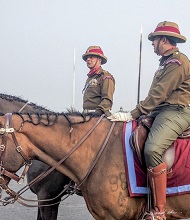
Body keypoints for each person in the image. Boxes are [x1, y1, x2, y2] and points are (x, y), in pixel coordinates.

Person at [108, 21, 190, 220]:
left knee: (152, 148)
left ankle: (159, 211)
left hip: (177, 111)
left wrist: (133, 113)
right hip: (161, 110)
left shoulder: (177, 63)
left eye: (154, 40)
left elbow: (159, 94)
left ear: (163, 40)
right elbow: (155, 96)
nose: (152, 44)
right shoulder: (165, 63)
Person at [82, 46, 115, 117]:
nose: (88, 59)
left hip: (98, 117)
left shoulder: (105, 77)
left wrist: (96, 114)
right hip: (86, 116)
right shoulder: (90, 78)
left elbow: (107, 101)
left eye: (91, 57)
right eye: (87, 58)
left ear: (99, 59)